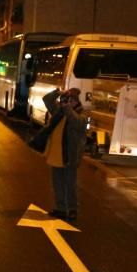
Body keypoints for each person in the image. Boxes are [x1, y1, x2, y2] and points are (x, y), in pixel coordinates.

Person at [43, 87, 86, 221]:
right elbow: (47, 100)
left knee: (70, 184)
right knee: (57, 183)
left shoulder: (82, 116)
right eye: (68, 99)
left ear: (76, 102)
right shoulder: (58, 112)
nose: (68, 102)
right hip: (56, 154)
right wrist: (58, 92)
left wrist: (67, 108)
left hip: (70, 156)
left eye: (71, 100)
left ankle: (72, 209)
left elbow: (76, 122)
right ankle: (60, 208)